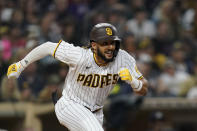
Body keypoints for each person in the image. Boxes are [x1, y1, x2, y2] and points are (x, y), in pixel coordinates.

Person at [7, 23, 148, 131]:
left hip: (96, 113)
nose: (110, 47)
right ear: (94, 45)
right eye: (105, 43)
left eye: (113, 42)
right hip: (70, 105)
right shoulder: (80, 55)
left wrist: (134, 82)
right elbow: (48, 47)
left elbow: (144, 89)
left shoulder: (124, 59)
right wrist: (21, 64)